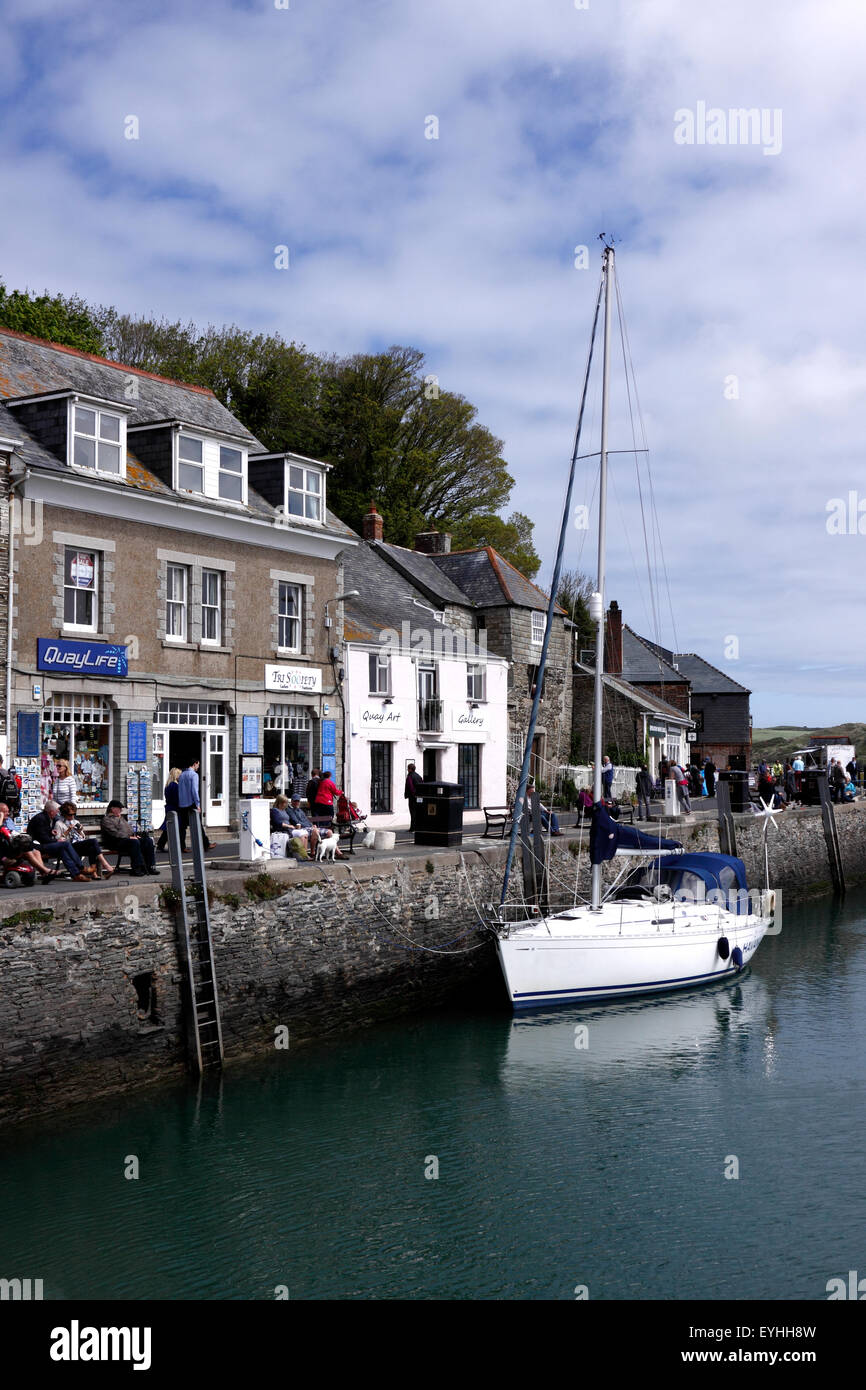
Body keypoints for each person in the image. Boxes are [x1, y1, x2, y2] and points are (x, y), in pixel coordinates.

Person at [27, 801, 92, 880]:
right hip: (37, 846)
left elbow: (44, 832)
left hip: (45, 844)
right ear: (51, 812)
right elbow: (42, 838)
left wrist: (51, 832)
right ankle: (81, 867)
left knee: (62, 850)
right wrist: (56, 841)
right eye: (57, 811)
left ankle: (76, 874)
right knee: (65, 844)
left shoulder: (50, 818)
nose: (58, 813)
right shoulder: (40, 819)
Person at [0, 801, 59, 881]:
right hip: (3, 850)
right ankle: (45, 870)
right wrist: (0, 818)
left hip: (12, 846)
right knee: (27, 851)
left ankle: (44, 874)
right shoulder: (1, 821)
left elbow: (13, 834)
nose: (7, 813)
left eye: (8, 811)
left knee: (35, 850)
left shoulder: (9, 821)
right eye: (5, 812)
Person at [55, 802, 114, 878]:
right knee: (93, 841)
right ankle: (106, 865)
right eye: (70, 815)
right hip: (69, 846)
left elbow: (83, 837)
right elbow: (58, 839)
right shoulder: (59, 824)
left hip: (78, 844)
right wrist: (67, 831)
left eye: (74, 814)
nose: (72, 816)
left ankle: (94, 872)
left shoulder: (76, 822)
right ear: (64, 814)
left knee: (92, 848)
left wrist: (80, 831)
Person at [101, 801, 158, 875]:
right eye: (119, 808)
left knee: (148, 840)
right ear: (112, 809)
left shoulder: (121, 818)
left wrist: (134, 835)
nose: (121, 810)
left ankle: (150, 867)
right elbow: (115, 833)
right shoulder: (106, 819)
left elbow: (129, 829)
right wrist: (129, 837)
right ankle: (137, 868)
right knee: (134, 842)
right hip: (115, 842)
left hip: (126, 840)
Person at [177, 759, 211, 851]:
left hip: (182, 804)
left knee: (182, 827)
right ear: (194, 764)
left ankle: (182, 846)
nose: (198, 766)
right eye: (198, 764)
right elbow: (194, 791)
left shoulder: (181, 775)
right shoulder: (194, 775)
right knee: (198, 825)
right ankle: (205, 844)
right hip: (191, 803)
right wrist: (197, 804)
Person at [156, 767, 181, 853]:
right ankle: (171, 845)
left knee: (168, 827)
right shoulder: (175, 786)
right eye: (179, 775)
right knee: (173, 827)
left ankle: (160, 844)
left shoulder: (168, 785)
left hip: (169, 807)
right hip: (174, 808)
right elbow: (177, 798)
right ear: (176, 775)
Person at [405, 761, 423, 830]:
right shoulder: (418, 776)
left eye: (408, 768)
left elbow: (410, 786)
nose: (407, 770)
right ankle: (417, 826)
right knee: (417, 811)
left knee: (412, 812)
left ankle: (413, 827)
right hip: (419, 796)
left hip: (412, 797)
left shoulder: (410, 776)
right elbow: (422, 785)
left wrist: (413, 794)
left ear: (410, 769)